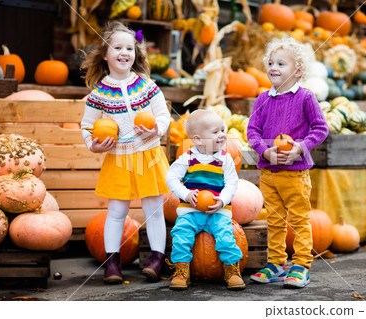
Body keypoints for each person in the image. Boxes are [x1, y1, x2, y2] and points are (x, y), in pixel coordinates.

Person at [80, 21, 170, 285]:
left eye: (129, 48)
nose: (124, 52)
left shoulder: (147, 86)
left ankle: (156, 258)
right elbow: (86, 126)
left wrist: (156, 131)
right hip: (118, 158)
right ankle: (112, 263)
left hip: (148, 155)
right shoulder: (99, 94)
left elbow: (163, 116)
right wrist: (93, 144)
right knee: (117, 211)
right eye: (117, 47)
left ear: (136, 54)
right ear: (105, 55)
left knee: (154, 209)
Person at [247, 36, 329, 288]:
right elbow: (252, 131)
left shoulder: (305, 97)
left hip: (294, 174)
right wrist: (264, 151)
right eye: (271, 62)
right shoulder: (263, 99)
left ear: (298, 70)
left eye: (281, 64)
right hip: (269, 174)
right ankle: (277, 264)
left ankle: (302, 265)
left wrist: (300, 149)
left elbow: (320, 128)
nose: (273, 67)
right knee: (273, 220)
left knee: (299, 220)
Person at [166, 109, 245, 291]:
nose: (222, 135)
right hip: (191, 210)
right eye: (215, 132)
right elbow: (171, 177)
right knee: (181, 235)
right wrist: (185, 194)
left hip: (217, 210)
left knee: (226, 236)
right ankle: (181, 271)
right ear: (198, 139)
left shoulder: (226, 159)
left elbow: (232, 183)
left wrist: (223, 200)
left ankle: (232, 270)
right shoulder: (187, 158)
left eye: (223, 130)